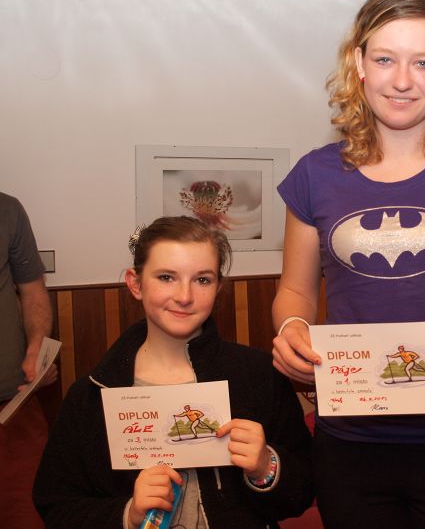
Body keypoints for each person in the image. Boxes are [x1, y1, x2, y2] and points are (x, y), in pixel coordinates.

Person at [271, 0, 425, 528]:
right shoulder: (315, 174)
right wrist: (291, 329)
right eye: (385, 59)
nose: (403, 80)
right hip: (351, 439)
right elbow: (296, 290)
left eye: (423, 62)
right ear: (358, 63)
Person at [33, 216, 313, 528]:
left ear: (219, 287)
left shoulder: (258, 375)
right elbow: (57, 506)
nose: (184, 296)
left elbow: (304, 490)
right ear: (136, 284)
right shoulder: (93, 393)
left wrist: (266, 466)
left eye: (202, 280)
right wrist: (128, 514)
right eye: (166, 277)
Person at [0, 192, 55, 529]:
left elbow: (33, 291)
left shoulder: (8, 209)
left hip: (13, 405)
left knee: (28, 514)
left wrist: (37, 350)